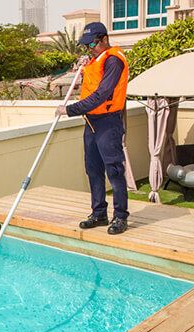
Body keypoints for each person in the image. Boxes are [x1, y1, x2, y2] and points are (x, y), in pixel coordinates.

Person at [55, 22, 129, 235]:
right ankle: (99, 213)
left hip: (108, 121)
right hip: (91, 121)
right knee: (93, 169)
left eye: (93, 44)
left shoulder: (114, 60)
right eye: (86, 46)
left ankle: (121, 216)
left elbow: (101, 95)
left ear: (104, 39)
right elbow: (90, 86)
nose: (90, 49)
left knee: (114, 170)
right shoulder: (96, 60)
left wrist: (69, 110)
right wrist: (83, 68)